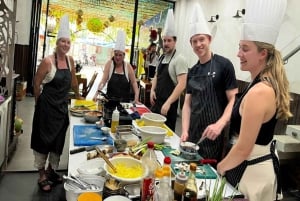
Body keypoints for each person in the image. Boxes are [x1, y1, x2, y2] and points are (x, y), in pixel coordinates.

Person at [217, 0, 292, 200]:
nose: (238, 54)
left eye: (245, 49)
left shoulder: (260, 91)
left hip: (253, 173)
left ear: (263, 54)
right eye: (239, 47)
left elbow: (243, 148)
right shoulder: (257, 84)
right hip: (247, 167)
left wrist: (220, 168)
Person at [180, 3, 238, 163]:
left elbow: (234, 99)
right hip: (192, 133)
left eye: (201, 39)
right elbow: (187, 104)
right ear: (190, 44)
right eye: (194, 41)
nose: (198, 44)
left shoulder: (224, 65)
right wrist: (184, 130)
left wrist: (220, 124)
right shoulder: (193, 71)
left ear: (209, 39)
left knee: (207, 175)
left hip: (214, 135)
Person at [31, 15, 81, 192]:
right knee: (42, 141)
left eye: (68, 42)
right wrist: (39, 103)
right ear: (57, 43)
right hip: (46, 108)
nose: (66, 45)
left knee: (58, 142)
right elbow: (36, 83)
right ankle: (42, 174)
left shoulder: (70, 61)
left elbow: (73, 81)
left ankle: (52, 171)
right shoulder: (47, 61)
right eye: (63, 42)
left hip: (61, 109)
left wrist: (78, 97)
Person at [150, 9, 188, 131]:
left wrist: (168, 102)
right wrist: (152, 90)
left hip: (169, 107)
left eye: (169, 41)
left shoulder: (179, 59)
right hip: (157, 103)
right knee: (152, 131)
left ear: (175, 41)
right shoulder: (161, 57)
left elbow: (182, 84)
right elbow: (156, 75)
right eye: (165, 40)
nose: (166, 43)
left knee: (165, 136)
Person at [93, 30, 140, 104]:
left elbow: (134, 82)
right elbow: (103, 81)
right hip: (109, 103)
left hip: (124, 104)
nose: (117, 57)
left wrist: (136, 98)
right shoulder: (109, 64)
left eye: (120, 55)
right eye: (116, 54)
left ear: (124, 56)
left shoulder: (128, 66)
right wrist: (96, 93)